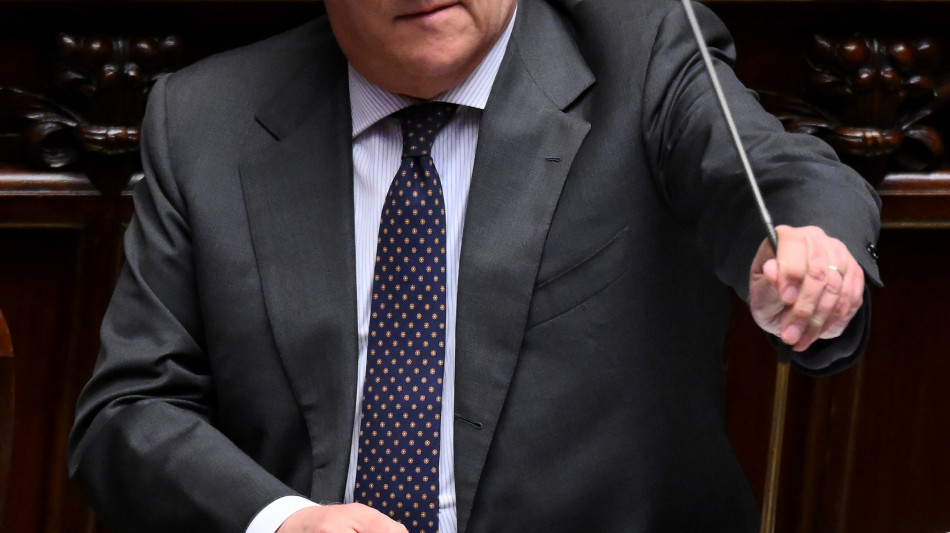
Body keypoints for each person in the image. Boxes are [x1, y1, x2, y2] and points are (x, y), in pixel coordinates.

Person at [67, 0, 881, 532]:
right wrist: (283, 520)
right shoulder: (204, 119)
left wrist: (812, 248)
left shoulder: (642, 52)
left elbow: (773, 174)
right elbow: (130, 410)